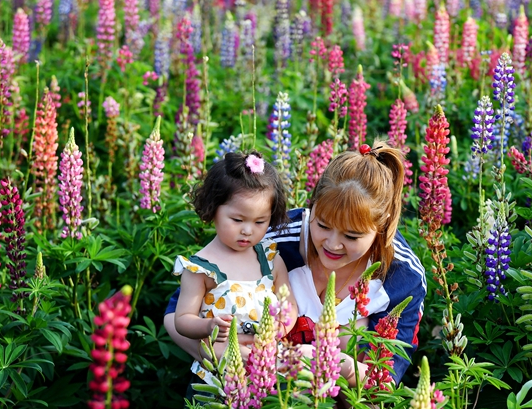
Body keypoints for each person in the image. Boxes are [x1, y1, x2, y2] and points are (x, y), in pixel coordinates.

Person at [164, 140, 426, 385]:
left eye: (351, 235)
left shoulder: (404, 276)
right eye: (323, 225)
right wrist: (226, 359)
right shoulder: (272, 236)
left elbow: (385, 381)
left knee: (351, 333)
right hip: (255, 382)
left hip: (340, 398)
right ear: (312, 206)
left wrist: (334, 363)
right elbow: (176, 315)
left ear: (383, 225)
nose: (333, 244)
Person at [170, 151, 298, 388]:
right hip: (220, 373)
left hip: (268, 367)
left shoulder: (270, 259)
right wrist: (208, 326)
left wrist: (279, 327)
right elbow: (182, 320)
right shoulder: (200, 268)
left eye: (260, 222)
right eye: (238, 220)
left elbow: (289, 305)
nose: (248, 230)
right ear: (213, 209)